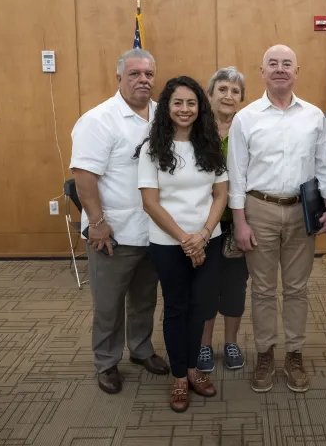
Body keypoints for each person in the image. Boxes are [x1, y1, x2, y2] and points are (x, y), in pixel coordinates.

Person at [227, 44, 326, 393]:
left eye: (286, 63)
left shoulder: (314, 116)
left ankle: (294, 352)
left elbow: (324, 167)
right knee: (261, 288)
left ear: (296, 70)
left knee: (297, 288)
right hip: (258, 210)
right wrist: (240, 222)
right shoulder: (245, 118)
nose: (279, 69)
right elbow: (237, 175)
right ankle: (264, 353)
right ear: (261, 72)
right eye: (272, 63)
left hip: (301, 211)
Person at [70, 48, 170, 395]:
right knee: (110, 304)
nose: (143, 80)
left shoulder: (163, 116)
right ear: (119, 78)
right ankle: (107, 362)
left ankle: (141, 350)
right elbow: (84, 176)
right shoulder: (98, 120)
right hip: (112, 233)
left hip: (153, 231)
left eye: (148, 74)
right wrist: (96, 223)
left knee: (145, 298)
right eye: (134, 74)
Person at [137, 76, 228, 413]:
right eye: (178, 103)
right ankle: (179, 376)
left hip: (209, 240)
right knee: (177, 308)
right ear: (167, 107)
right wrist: (184, 240)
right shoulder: (152, 148)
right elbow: (150, 202)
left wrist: (203, 234)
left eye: (192, 103)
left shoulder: (209, 143)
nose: (185, 109)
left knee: (202, 308)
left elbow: (221, 193)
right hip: (167, 243)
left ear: (200, 107)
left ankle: (193, 368)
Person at [196, 67, 249, 372]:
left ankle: (231, 342)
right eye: (223, 89)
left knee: (234, 287)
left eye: (235, 91)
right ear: (210, 94)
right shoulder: (195, 129)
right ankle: (204, 345)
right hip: (201, 224)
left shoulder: (247, 128)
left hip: (237, 223)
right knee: (205, 287)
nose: (229, 96)